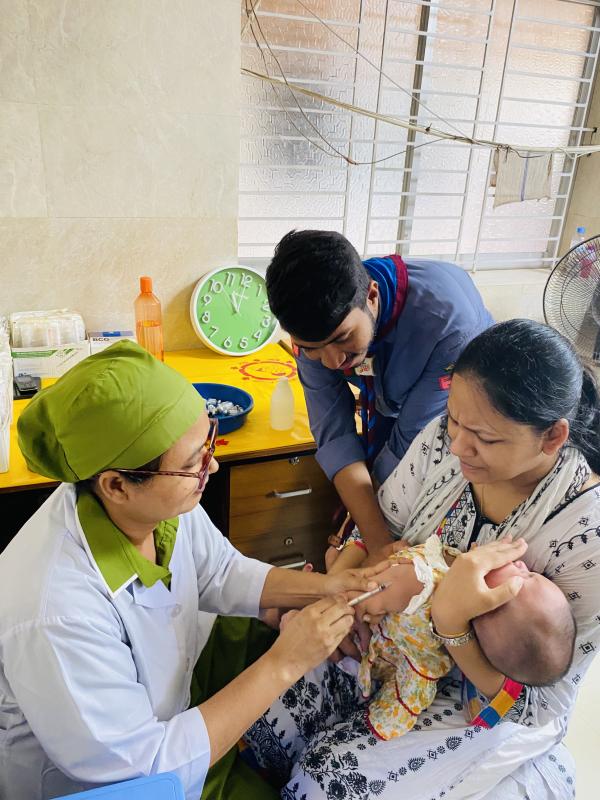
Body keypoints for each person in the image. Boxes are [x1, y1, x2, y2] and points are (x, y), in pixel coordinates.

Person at [0, 342, 387, 800]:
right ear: (117, 485)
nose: (212, 465)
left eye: (208, 442)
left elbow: (219, 570)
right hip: (130, 783)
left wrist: (324, 586)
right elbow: (146, 771)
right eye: (192, 463)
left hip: (176, 703)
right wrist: (286, 662)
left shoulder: (155, 502)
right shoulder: (57, 613)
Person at [244, 319, 600, 799]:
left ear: (552, 437)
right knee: (270, 712)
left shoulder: (586, 536)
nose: (458, 446)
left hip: (479, 694)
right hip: (392, 641)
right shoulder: (442, 441)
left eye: (484, 438)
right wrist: (336, 596)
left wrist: (451, 626)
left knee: (325, 779)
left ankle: (533, 776)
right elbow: (379, 533)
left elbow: (539, 705)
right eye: (454, 420)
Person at [266, 230, 494, 556]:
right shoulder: (311, 330)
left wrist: (371, 539)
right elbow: (335, 435)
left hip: (451, 422)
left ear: (371, 296)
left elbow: (409, 445)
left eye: (343, 338)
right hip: (392, 406)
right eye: (313, 349)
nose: (332, 362)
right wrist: (372, 540)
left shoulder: (449, 326)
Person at [328, 532, 576, 740]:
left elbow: (357, 599)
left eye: (527, 578)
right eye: (534, 573)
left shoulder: (419, 584)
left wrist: (339, 583)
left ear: (486, 605)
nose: (523, 565)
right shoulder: (443, 581)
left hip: (356, 645)